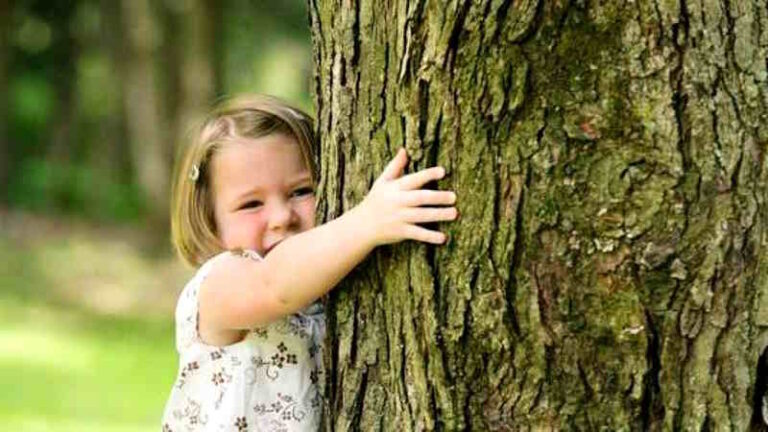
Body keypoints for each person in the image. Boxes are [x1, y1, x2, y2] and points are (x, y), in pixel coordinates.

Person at [161, 94, 458, 431]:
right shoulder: (219, 284)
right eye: (251, 204)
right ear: (210, 222)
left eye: (301, 191)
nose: (281, 217)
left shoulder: (323, 290)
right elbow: (274, 286)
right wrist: (367, 222)